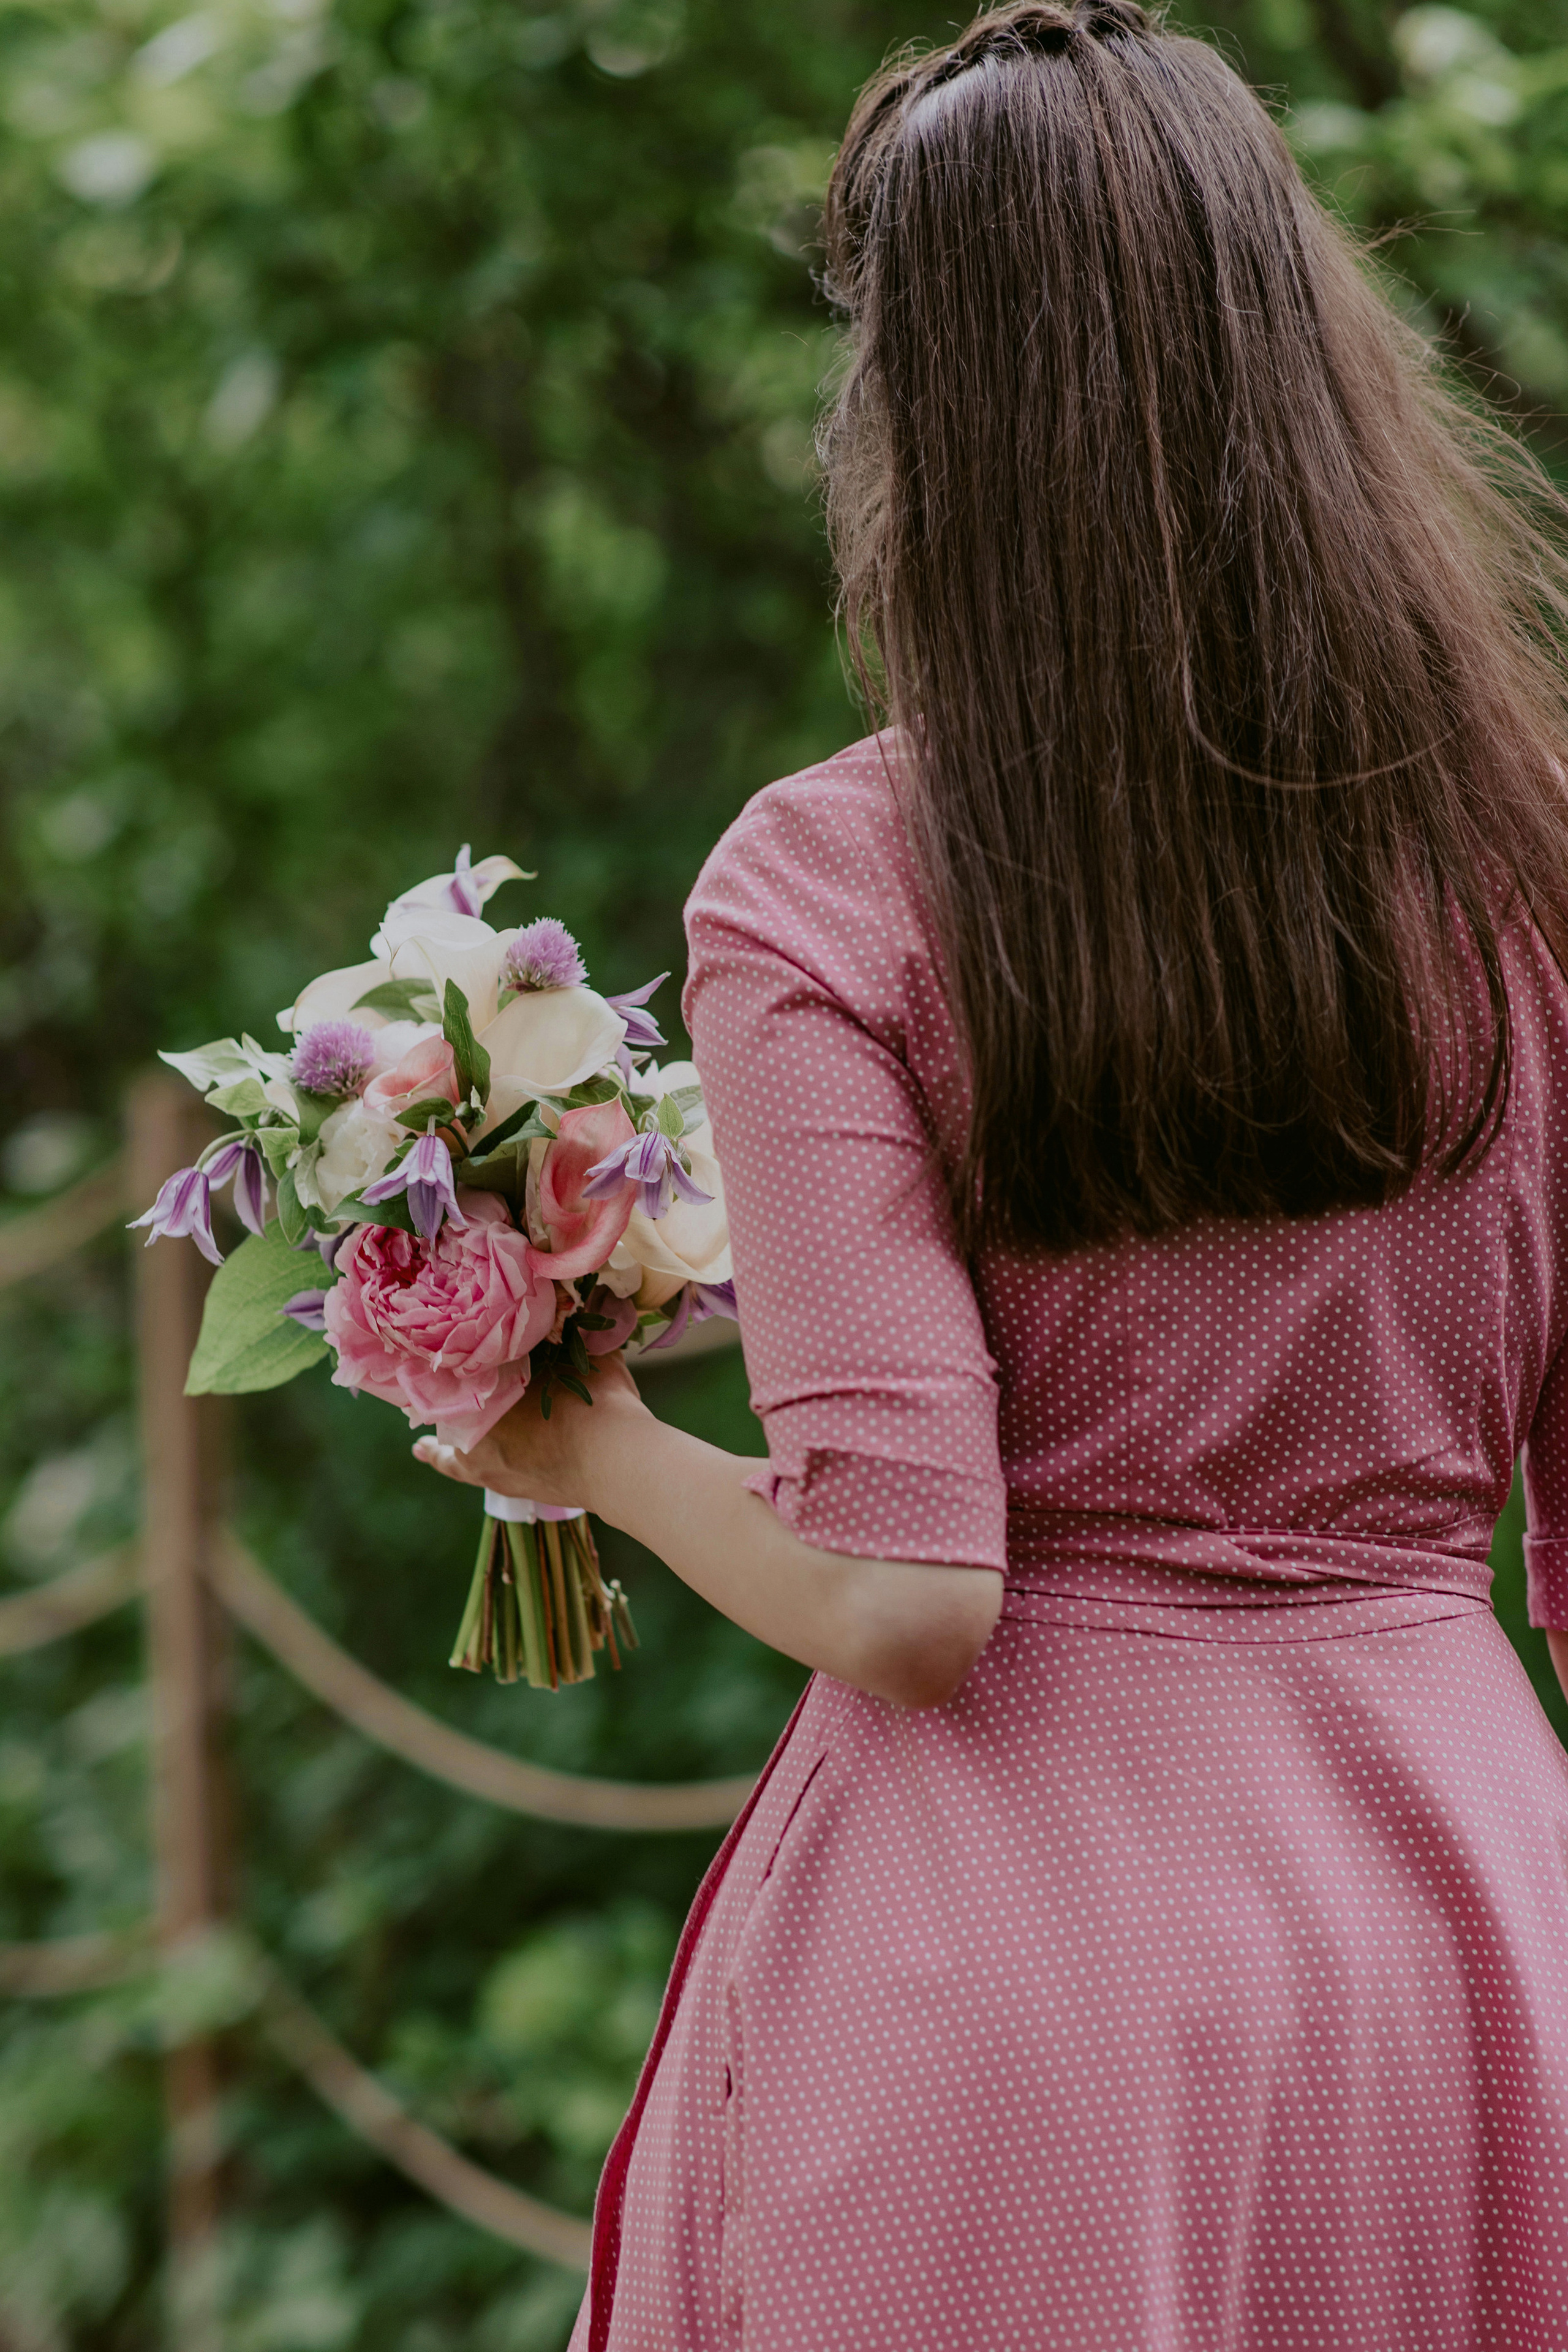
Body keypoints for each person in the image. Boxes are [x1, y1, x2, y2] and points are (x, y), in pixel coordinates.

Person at [415, 3, 1568, 2341]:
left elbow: (911, 1598)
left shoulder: (830, 886)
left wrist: (583, 1445)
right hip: (1478, 1952)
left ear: (923, 413)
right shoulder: (1531, 863)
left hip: (1028, 1989)